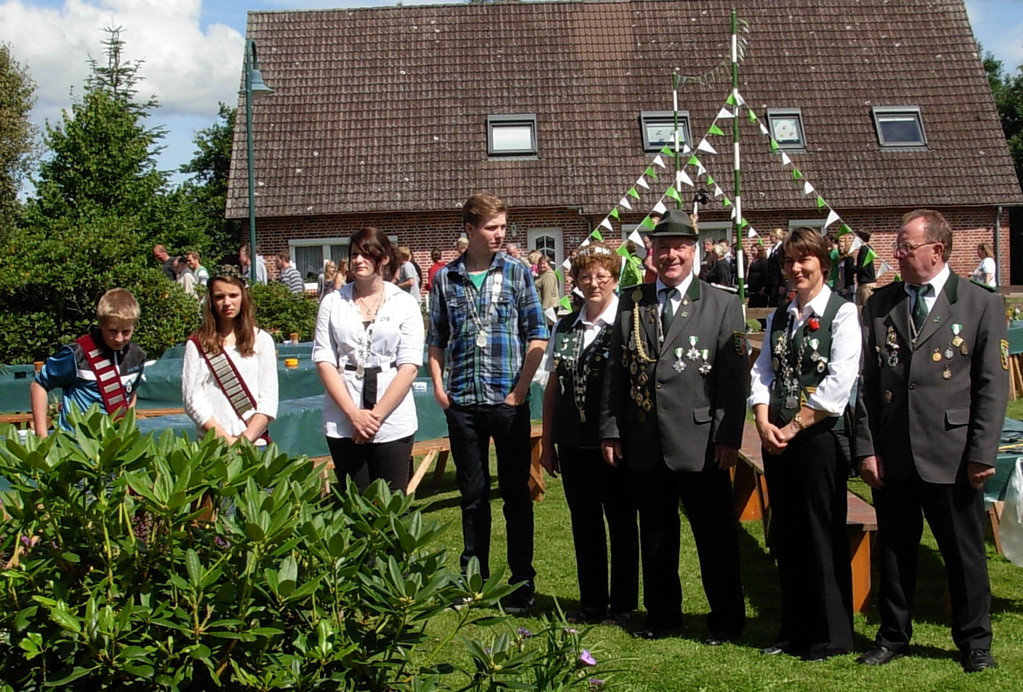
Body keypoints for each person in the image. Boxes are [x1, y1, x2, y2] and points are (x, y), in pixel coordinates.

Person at [853, 209, 1008, 674]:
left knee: (962, 554)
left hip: (953, 453)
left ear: (936, 251)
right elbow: (865, 385)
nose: (895, 254)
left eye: (904, 247)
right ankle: (893, 635)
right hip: (895, 452)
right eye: (897, 247)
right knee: (896, 551)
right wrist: (866, 448)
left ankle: (974, 641)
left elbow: (992, 386)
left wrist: (982, 453)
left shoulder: (980, 304)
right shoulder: (881, 305)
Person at [599, 209, 747, 643]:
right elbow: (616, 370)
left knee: (715, 537)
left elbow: (732, 380)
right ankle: (663, 615)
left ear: (694, 251)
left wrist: (727, 436)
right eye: (663, 247)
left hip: (701, 441)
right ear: (652, 252)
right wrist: (610, 429)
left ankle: (725, 619)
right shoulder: (633, 301)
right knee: (657, 534)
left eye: (680, 247)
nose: (671, 256)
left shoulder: (722, 303)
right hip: (645, 438)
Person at [428, 192, 549, 614]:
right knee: (473, 494)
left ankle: (521, 581)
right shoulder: (446, 278)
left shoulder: (517, 273)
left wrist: (519, 391)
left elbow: (537, 333)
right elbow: (436, 339)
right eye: (491, 227)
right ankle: (473, 580)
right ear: (470, 229)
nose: (500, 235)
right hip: (462, 401)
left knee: (517, 494)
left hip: (506, 399)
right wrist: (440, 387)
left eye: (503, 227)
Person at [749, 227, 861, 661]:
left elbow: (839, 383)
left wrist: (792, 427)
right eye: (789, 261)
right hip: (777, 438)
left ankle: (830, 634)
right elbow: (762, 371)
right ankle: (792, 628)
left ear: (823, 264)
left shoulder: (844, 313)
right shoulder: (780, 315)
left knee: (820, 532)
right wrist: (762, 420)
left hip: (817, 439)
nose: (796, 268)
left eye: (804, 260)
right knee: (787, 533)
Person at [540, 242, 639, 626]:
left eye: (601, 276)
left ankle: (624, 604)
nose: (594, 282)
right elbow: (552, 386)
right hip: (572, 441)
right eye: (586, 276)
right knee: (584, 523)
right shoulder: (565, 325)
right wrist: (548, 444)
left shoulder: (627, 323)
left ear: (614, 279)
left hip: (614, 441)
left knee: (621, 521)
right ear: (576, 282)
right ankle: (593, 602)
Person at [313, 227, 424, 492]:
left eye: (366, 254)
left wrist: (375, 417)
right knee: (355, 504)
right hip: (344, 415)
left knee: (392, 502)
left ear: (384, 258)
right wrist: (354, 415)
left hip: (392, 416)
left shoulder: (404, 303)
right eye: (354, 255)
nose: (358, 260)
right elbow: (324, 359)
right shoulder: (332, 302)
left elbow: (409, 366)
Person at [182, 266, 279, 445]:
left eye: (233, 295)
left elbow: (269, 400)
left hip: (254, 445)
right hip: (213, 445)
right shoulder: (197, 344)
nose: (227, 302)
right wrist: (226, 440)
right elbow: (192, 400)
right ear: (211, 301)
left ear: (243, 297)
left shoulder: (262, 340)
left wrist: (244, 441)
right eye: (219, 296)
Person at [31, 289, 146, 436]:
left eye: (126, 332)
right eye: (112, 330)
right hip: (75, 444)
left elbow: (132, 391)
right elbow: (39, 385)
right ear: (101, 324)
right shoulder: (78, 353)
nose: (119, 338)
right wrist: (41, 436)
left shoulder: (137, 355)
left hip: (113, 444)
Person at [534, 253, 561, 322]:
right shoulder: (542, 275)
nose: (541, 266)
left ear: (548, 264)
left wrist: (544, 309)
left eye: (544, 264)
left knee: (549, 326)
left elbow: (547, 293)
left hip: (549, 307)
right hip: (545, 306)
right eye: (540, 264)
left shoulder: (548, 276)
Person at [765, 228, 788, 307]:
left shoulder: (781, 248)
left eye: (772, 236)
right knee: (772, 302)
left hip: (779, 281)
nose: (770, 238)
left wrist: (782, 284)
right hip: (773, 281)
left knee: (778, 303)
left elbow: (782, 267)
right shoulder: (773, 249)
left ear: (777, 236)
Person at [853, 230, 877, 306]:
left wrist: (851, 269)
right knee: (860, 308)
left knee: (866, 307)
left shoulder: (864, 249)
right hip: (864, 283)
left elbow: (862, 267)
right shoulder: (866, 249)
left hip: (866, 283)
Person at [747, 242, 769, 307]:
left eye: (754, 250)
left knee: (761, 307)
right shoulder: (754, 261)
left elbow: (766, 275)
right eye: (751, 250)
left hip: (760, 289)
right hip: (753, 289)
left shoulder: (763, 261)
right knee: (751, 306)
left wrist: (763, 288)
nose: (752, 252)